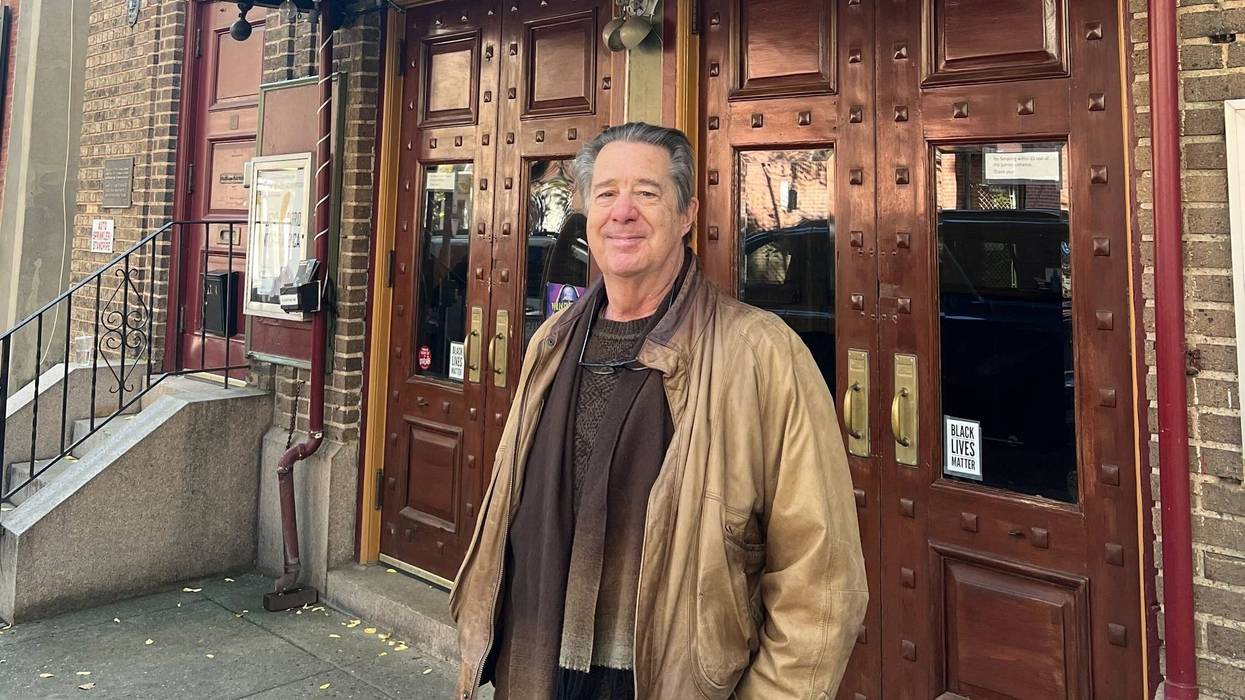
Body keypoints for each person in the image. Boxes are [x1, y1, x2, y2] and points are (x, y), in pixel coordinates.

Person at [450, 122, 867, 700]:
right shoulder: (551, 341)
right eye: (605, 193)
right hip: (532, 670)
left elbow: (820, 583)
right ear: (586, 213)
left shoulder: (760, 354)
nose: (622, 212)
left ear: (687, 214)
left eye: (646, 193)